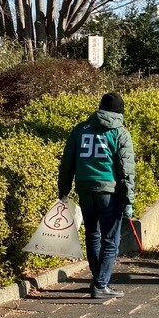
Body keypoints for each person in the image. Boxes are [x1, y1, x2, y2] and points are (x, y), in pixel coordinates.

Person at [58, 91, 137, 300]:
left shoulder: (80, 130)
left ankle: (97, 279)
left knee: (93, 234)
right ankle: (101, 284)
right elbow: (126, 170)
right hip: (109, 191)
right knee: (110, 238)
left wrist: (63, 190)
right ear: (120, 112)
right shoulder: (120, 133)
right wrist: (128, 200)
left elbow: (67, 163)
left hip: (84, 188)